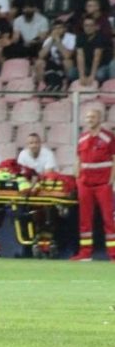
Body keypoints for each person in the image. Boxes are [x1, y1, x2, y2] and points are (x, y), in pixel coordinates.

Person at [71, 108, 115, 262]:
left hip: (103, 184)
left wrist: (111, 180)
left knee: (109, 219)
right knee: (85, 220)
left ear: (100, 119)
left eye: (93, 117)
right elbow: (78, 160)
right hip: (85, 184)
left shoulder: (108, 137)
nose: (90, 120)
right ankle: (85, 253)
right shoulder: (82, 138)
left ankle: (113, 253)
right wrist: (77, 178)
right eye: (88, 117)